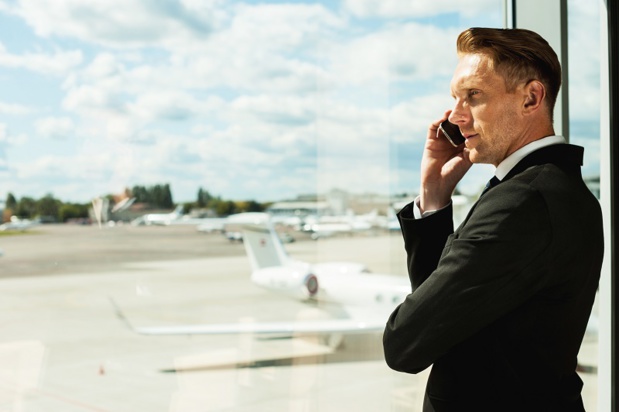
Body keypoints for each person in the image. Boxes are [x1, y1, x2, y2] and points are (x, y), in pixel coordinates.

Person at [382, 27, 604, 411]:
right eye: (454, 97)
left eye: (474, 96)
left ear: (532, 98)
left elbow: (405, 342)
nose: (455, 116)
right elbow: (445, 320)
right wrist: (434, 199)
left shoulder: (523, 203)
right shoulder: (551, 188)